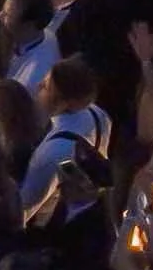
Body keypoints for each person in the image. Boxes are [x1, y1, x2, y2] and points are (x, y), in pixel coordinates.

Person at [19, 60, 111, 211]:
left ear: (64, 103)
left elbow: (25, 206)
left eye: (47, 87)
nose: (39, 86)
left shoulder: (52, 151)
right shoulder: (98, 113)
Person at [3, 0, 61, 95]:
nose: (0, 17)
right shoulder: (44, 35)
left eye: (7, 16)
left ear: (28, 26)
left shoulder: (32, 79)